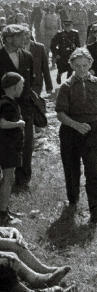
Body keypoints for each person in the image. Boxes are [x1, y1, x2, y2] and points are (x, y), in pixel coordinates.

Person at [55, 48, 97, 223]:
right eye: (77, 65)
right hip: (71, 130)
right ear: (71, 65)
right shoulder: (66, 86)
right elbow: (60, 114)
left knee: (93, 167)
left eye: (85, 65)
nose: (81, 69)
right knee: (71, 168)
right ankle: (73, 199)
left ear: (90, 64)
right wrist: (76, 125)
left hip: (93, 130)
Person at [0, 26, 35, 191]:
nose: (24, 38)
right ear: (8, 39)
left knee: (27, 143)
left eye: (25, 35)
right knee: (7, 146)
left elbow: (30, 83)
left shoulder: (27, 56)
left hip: (25, 109)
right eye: (20, 36)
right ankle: (6, 180)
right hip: (4, 110)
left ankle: (23, 179)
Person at [0, 73, 26, 225]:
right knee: (8, 179)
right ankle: (3, 214)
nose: (22, 89)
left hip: (7, 146)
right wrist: (19, 124)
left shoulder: (5, 101)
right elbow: (2, 123)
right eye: (21, 86)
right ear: (15, 87)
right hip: (7, 147)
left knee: (6, 179)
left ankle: (4, 208)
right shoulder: (8, 104)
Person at [22, 26, 52, 100]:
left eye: (27, 34)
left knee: (34, 102)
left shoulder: (39, 47)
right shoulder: (15, 48)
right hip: (21, 84)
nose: (25, 37)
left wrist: (49, 86)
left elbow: (45, 68)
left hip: (36, 83)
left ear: (30, 34)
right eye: (22, 34)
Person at [50, 19, 81, 85]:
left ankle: (68, 83)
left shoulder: (75, 33)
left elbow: (78, 44)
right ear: (64, 27)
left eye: (69, 26)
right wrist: (56, 54)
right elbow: (52, 45)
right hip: (62, 54)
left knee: (70, 69)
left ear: (72, 26)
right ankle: (59, 75)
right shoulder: (59, 34)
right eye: (66, 26)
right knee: (61, 68)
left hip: (71, 54)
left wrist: (77, 53)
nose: (68, 28)